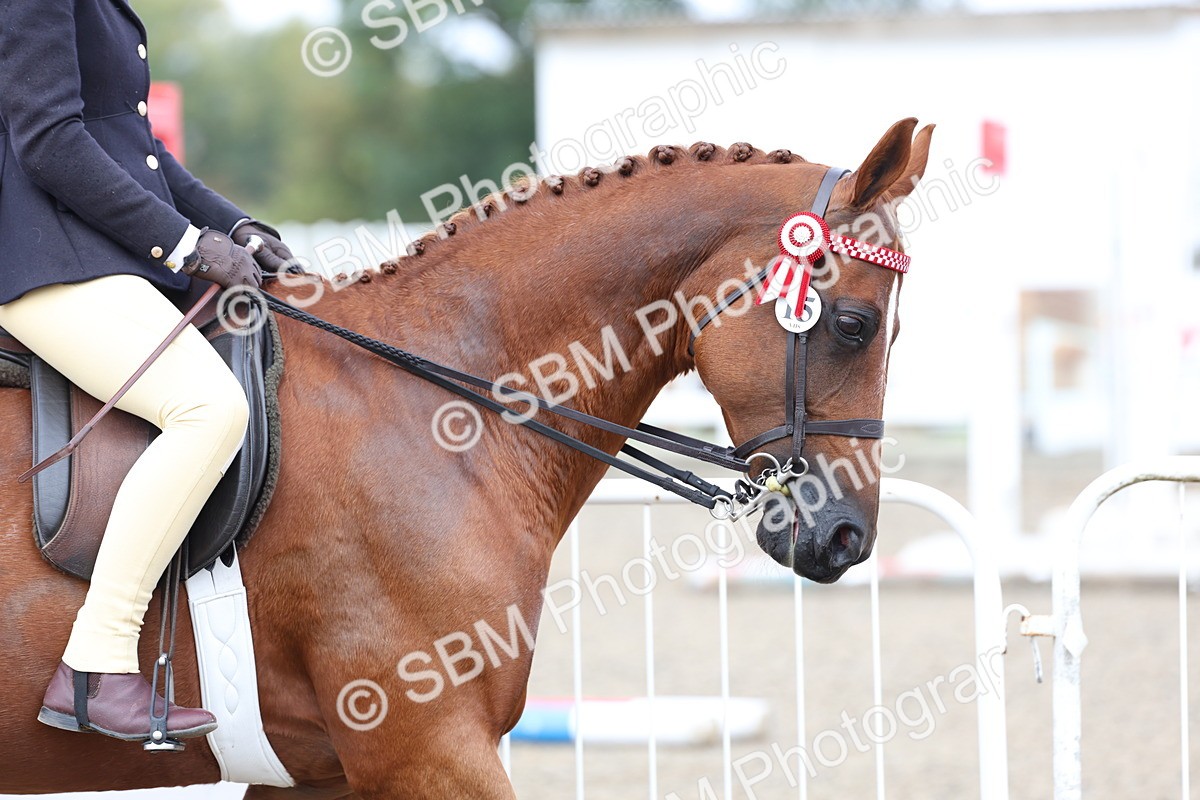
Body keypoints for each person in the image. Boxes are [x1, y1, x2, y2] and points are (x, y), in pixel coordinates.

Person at [0, 0, 294, 742]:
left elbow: (140, 153)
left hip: (98, 254)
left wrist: (234, 227)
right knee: (208, 408)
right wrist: (187, 246)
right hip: (44, 261)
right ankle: (94, 669)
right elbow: (50, 142)